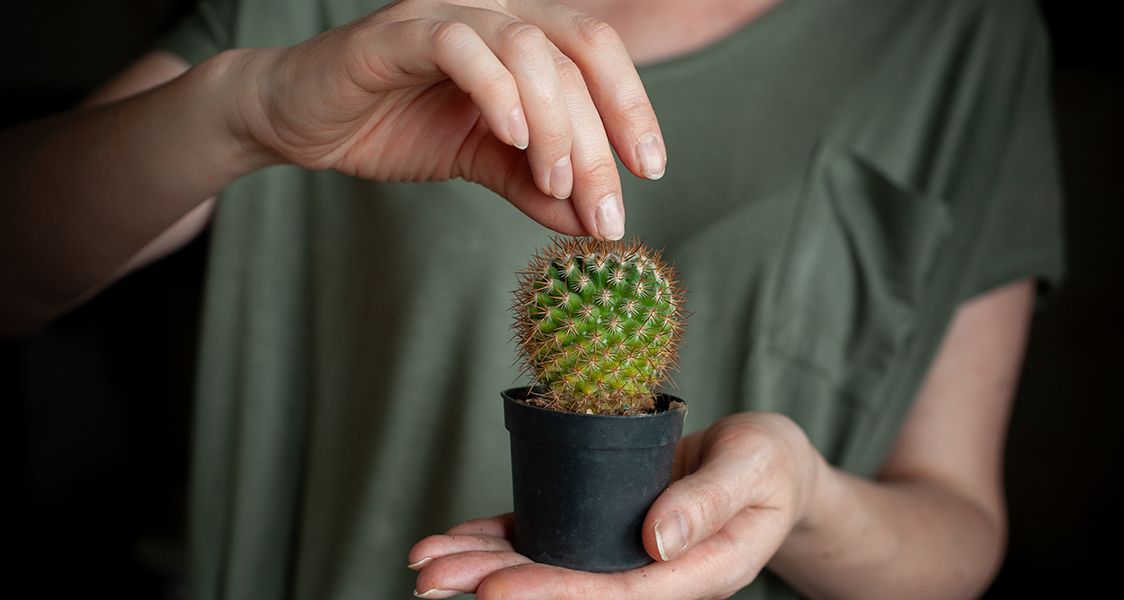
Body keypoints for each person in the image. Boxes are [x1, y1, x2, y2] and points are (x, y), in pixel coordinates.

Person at [0, 0, 1064, 598]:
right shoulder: (318, 13)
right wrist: (241, 112)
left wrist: (805, 499)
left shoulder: (961, 36)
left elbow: (958, 526)